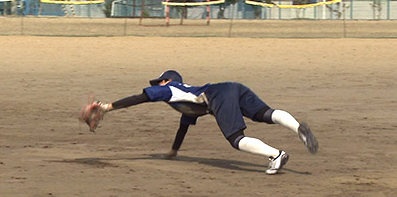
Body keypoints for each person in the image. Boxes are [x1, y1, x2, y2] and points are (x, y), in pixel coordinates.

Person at [95, 70, 318, 175]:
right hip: (232, 87)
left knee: (235, 139)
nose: (158, 84)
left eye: (160, 81)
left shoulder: (168, 89)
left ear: (168, 81)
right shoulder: (186, 98)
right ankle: (298, 128)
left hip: (217, 95)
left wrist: (107, 107)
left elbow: (140, 98)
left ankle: (276, 155)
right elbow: (183, 127)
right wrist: (173, 151)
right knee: (266, 114)